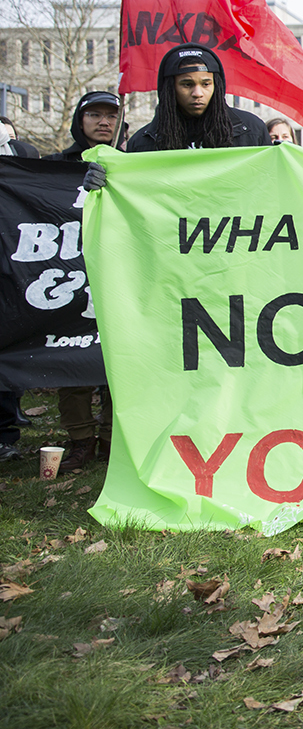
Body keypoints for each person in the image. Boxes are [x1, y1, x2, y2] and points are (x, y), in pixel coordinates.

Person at [46, 90, 123, 472]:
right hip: (67, 279)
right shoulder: (53, 168)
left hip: (118, 275)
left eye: (111, 115)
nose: (104, 122)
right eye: (95, 114)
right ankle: (79, 441)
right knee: (72, 359)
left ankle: (111, 439)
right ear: (81, 120)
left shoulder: (134, 164)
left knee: (115, 362)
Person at [126, 43, 272, 151]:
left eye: (206, 84)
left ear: (217, 86)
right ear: (170, 89)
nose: (198, 93)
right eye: (187, 84)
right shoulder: (142, 143)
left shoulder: (252, 130)